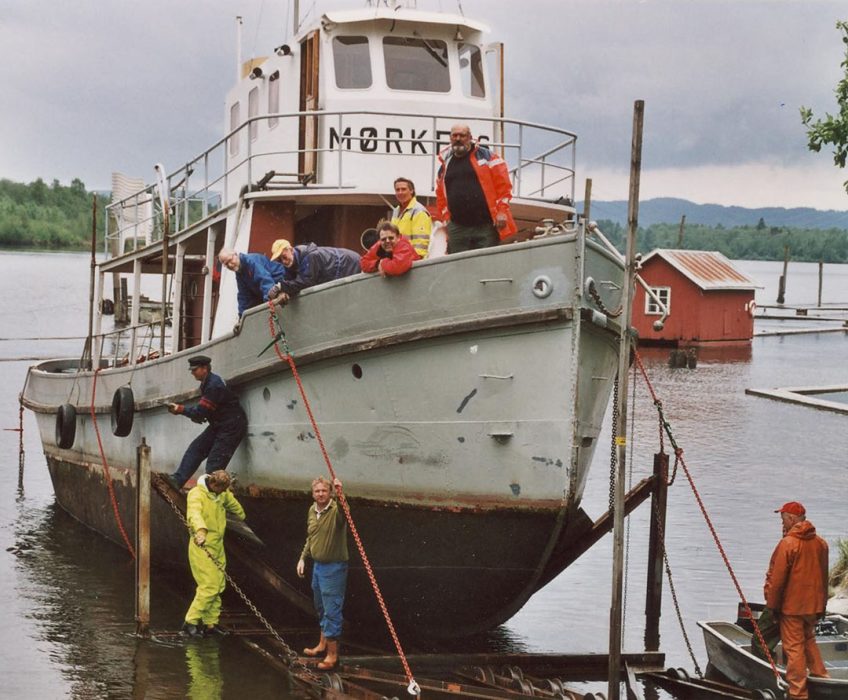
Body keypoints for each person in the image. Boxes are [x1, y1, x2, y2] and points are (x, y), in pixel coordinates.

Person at [763, 501, 830, 699]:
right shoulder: (821, 543)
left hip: (792, 608)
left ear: (792, 519)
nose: (781, 522)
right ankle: (823, 680)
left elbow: (777, 579)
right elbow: (824, 577)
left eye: (782, 518)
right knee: (809, 640)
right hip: (812, 607)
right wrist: (822, 606)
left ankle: (798, 694)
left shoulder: (788, 543)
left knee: (794, 649)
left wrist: (772, 607)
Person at [435, 123, 517, 253]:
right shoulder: (445, 164)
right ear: (450, 138)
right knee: (458, 266)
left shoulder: (488, 157)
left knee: (486, 265)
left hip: (485, 226)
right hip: (457, 228)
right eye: (454, 135)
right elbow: (440, 195)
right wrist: (447, 220)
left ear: (470, 137)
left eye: (462, 135)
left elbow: (504, 187)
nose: (458, 139)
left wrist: (502, 211)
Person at [167, 356, 247, 490]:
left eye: (195, 369)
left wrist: (180, 409)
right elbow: (209, 409)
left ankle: (211, 496)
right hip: (220, 423)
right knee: (196, 449)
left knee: (214, 466)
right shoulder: (209, 381)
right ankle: (177, 480)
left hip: (231, 426)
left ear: (204, 369)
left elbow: (200, 412)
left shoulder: (213, 385)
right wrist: (200, 415)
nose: (192, 373)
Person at [182, 469, 245, 638]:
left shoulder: (222, 494)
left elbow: (236, 508)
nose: (224, 493)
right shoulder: (196, 494)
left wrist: (241, 513)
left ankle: (211, 623)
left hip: (217, 546)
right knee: (209, 585)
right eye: (222, 489)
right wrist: (201, 531)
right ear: (213, 484)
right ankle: (190, 622)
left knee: (218, 585)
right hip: (202, 546)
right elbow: (194, 514)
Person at [297, 476, 348, 670]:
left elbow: (345, 511)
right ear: (313, 494)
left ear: (330, 493)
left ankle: (332, 656)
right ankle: (321, 644)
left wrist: (341, 493)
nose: (320, 494)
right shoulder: (312, 510)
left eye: (324, 491)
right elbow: (311, 536)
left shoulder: (336, 511)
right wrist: (302, 557)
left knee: (331, 609)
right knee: (320, 606)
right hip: (317, 567)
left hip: (334, 568)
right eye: (317, 491)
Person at [267, 239, 361, 301]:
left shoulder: (311, 256)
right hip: (339, 269)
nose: (283, 261)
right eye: (280, 260)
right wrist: (282, 292)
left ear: (291, 250)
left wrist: (280, 287)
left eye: (284, 257)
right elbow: (289, 282)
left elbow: (306, 282)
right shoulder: (290, 263)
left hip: (350, 264)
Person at [217, 248, 286, 317]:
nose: (230, 265)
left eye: (230, 260)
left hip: (283, 282)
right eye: (226, 264)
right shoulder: (240, 273)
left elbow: (265, 280)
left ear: (235, 254)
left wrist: (270, 298)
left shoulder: (251, 261)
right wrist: (242, 317)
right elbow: (244, 296)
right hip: (271, 290)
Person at [390, 177, 432, 259]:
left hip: (412, 261)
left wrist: (416, 262)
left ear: (411, 191)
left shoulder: (419, 212)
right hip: (398, 258)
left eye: (403, 189)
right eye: (397, 190)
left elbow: (420, 245)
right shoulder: (396, 211)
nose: (400, 192)